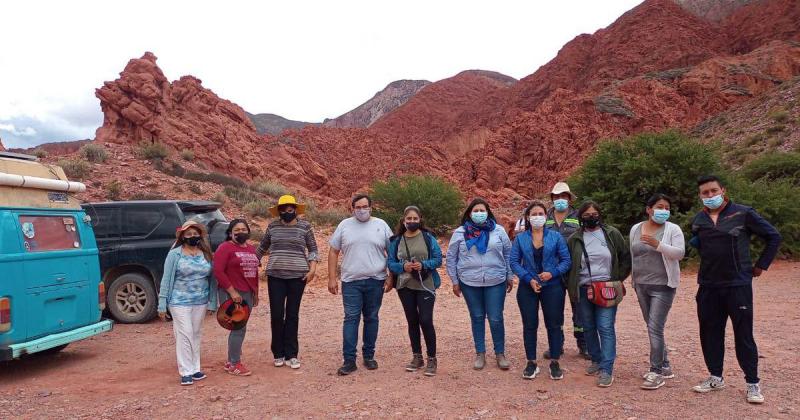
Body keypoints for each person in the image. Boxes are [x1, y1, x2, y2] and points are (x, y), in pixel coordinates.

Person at [690, 175, 781, 404]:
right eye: (705, 193)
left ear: (723, 190)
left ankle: (752, 384)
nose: (710, 196)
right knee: (710, 332)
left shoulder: (743, 213)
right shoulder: (698, 220)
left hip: (737, 285)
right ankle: (715, 377)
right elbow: (700, 246)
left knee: (743, 334)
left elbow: (773, 236)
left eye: (713, 191)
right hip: (708, 286)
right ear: (700, 196)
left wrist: (761, 265)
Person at [566, 201, 631, 387]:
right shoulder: (575, 239)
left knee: (605, 326)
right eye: (586, 215)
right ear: (580, 217)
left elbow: (625, 256)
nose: (591, 217)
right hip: (584, 288)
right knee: (588, 326)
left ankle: (606, 369)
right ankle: (596, 359)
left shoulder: (611, 234)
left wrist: (618, 278)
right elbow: (568, 264)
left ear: (600, 215)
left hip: (607, 287)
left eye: (594, 214)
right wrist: (570, 285)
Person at [328, 194, 393, 376]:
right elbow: (333, 251)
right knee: (351, 319)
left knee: (372, 318)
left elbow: (392, 251)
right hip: (351, 282)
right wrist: (331, 278)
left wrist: (391, 277)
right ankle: (349, 360)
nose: (362, 210)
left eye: (365, 206)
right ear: (352, 208)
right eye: (358, 207)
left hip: (376, 280)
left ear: (371, 207)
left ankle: (369, 356)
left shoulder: (381, 225)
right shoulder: (344, 225)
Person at [446, 198, 514, 371]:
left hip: (496, 280)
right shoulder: (460, 232)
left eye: (482, 210)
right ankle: (480, 353)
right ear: (469, 213)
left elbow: (508, 254)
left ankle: (500, 353)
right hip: (469, 282)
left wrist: (509, 275)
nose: (479, 213)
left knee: (495, 318)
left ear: (488, 212)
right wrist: (455, 281)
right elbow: (451, 257)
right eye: (475, 211)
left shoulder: (498, 230)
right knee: (477, 317)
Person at [256, 195, 320, 370]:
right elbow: (262, 247)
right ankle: (278, 353)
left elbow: (313, 249)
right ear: (279, 210)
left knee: (292, 315)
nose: (286, 211)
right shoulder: (272, 226)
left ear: (295, 209)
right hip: (275, 275)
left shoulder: (305, 227)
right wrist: (252, 261)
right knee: (277, 315)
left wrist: (312, 269)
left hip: (298, 276)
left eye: (290, 208)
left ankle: (292, 354)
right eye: (283, 209)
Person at [510, 200, 571, 380]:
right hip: (527, 287)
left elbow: (566, 261)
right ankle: (531, 362)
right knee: (530, 325)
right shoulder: (521, 238)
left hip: (552, 287)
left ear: (546, 216)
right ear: (528, 218)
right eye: (534, 214)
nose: (537, 217)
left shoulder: (556, 237)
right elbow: (514, 262)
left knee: (553, 324)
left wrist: (552, 273)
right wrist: (528, 279)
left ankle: (554, 361)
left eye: (541, 214)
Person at [629, 194, 685, 390]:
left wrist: (657, 244)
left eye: (667, 208)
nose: (663, 211)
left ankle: (656, 371)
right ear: (649, 209)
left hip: (663, 285)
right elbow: (633, 255)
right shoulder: (636, 229)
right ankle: (666, 365)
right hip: (641, 285)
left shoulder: (673, 229)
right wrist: (633, 280)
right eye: (659, 207)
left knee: (655, 328)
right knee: (652, 326)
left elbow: (679, 253)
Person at [157, 221, 217, 386]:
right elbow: (166, 278)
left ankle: (196, 368)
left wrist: (212, 302)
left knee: (196, 333)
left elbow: (212, 280)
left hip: (200, 300)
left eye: (195, 233)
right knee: (185, 333)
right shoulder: (175, 254)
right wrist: (162, 303)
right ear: (182, 236)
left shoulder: (205, 254)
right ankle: (186, 371)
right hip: (179, 301)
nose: (192, 236)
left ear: (200, 235)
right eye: (188, 234)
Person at [386, 206, 443, 376]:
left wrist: (424, 264)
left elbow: (438, 259)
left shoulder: (427, 237)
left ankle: (432, 359)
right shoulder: (396, 240)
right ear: (403, 221)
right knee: (412, 321)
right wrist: (403, 266)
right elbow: (390, 263)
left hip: (425, 284)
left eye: (415, 219)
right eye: (408, 219)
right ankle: (417, 357)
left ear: (420, 219)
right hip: (405, 285)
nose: (412, 222)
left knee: (425, 320)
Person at [544, 181, 587, 360]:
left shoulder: (579, 216)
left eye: (563, 196)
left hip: (575, 270)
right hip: (552, 271)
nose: (560, 199)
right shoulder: (544, 217)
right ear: (552, 199)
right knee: (554, 309)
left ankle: (583, 344)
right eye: (556, 197)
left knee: (580, 308)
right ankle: (557, 344)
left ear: (569, 198)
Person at [213, 218, 260, 376]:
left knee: (239, 327)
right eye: (237, 230)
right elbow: (218, 271)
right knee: (238, 328)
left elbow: (254, 273)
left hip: (247, 292)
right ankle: (234, 364)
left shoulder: (251, 249)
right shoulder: (225, 248)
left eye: (243, 229)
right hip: (232, 293)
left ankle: (230, 361)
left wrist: (256, 293)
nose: (241, 232)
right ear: (230, 233)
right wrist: (232, 292)